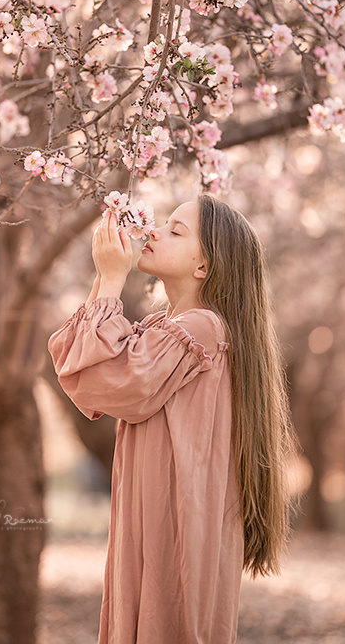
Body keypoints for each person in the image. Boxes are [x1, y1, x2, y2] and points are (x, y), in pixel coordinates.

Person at [48, 194, 294, 644]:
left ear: (203, 266)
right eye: (163, 223)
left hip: (176, 521)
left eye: (176, 231)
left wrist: (111, 277)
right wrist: (105, 278)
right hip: (153, 515)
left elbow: (108, 378)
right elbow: (80, 367)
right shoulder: (167, 328)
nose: (155, 231)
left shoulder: (203, 329)